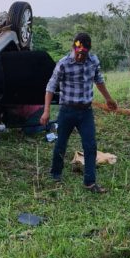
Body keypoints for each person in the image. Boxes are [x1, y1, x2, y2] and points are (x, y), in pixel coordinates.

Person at [40, 33, 117, 193]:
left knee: (90, 146)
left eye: (84, 53)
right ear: (73, 48)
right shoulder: (63, 64)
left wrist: (109, 99)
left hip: (85, 112)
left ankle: (90, 182)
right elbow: (50, 87)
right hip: (67, 111)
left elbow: (99, 80)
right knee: (61, 143)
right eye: (78, 52)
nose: (81, 56)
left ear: (89, 50)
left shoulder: (93, 61)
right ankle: (55, 173)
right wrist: (46, 110)